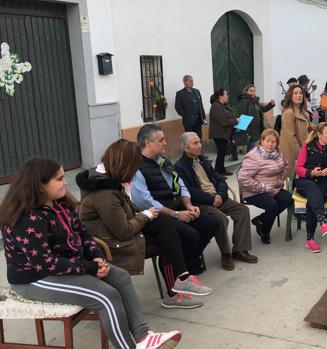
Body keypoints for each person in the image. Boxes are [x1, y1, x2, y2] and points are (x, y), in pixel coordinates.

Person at [0, 157, 182, 349]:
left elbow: (84, 234)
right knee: (106, 296)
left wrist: (97, 257)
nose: (66, 182)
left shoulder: (61, 204)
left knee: (120, 277)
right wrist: (90, 267)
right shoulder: (27, 218)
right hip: (35, 279)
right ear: (40, 184)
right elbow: (45, 263)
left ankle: (143, 337)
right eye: (59, 179)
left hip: (67, 266)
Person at [77, 140, 211, 309]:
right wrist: (146, 215)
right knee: (168, 236)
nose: (136, 172)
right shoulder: (105, 193)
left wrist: (149, 214)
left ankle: (181, 279)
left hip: (123, 227)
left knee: (175, 230)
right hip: (112, 242)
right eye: (134, 166)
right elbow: (123, 231)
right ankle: (176, 289)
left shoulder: (113, 180)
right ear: (125, 165)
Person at [131, 124, 219, 276]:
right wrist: (176, 214)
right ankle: (181, 268)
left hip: (177, 209)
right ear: (147, 143)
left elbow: (180, 184)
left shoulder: (163, 162)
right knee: (190, 235)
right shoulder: (137, 167)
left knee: (211, 223)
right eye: (161, 140)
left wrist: (188, 205)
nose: (165, 143)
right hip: (158, 216)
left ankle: (188, 261)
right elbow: (145, 201)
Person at [174, 132, 258, 270]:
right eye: (195, 143)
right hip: (201, 203)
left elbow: (219, 179)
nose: (199, 145)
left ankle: (240, 250)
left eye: (199, 142)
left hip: (218, 197)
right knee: (220, 218)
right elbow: (188, 191)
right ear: (185, 148)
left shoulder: (203, 161)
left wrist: (220, 195)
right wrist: (211, 199)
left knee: (242, 210)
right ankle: (226, 253)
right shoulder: (180, 167)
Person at [294, 122, 327, 253]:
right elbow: (298, 168)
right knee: (312, 189)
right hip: (306, 182)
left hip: (325, 183)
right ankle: (322, 222)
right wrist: (311, 172)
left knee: (313, 200)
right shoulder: (307, 146)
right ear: (319, 134)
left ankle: (310, 239)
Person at [238, 129, 293, 244]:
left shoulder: (277, 153)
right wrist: (262, 187)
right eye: (267, 141)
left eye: (274, 142)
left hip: (273, 188)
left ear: (277, 143)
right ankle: (265, 231)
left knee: (288, 198)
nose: (270, 144)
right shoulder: (253, 156)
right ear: (262, 141)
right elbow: (243, 178)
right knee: (272, 205)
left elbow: (286, 165)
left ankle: (260, 220)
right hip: (254, 191)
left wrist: (280, 178)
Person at [280, 84, 313, 175]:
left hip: (304, 149)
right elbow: (291, 138)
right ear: (290, 96)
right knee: (291, 181)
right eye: (295, 93)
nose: (299, 95)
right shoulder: (288, 114)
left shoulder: (304, 112)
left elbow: (307, 131)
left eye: (300, 93)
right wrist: (301, 155)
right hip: (292, 152)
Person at [208, 88, 238, 176]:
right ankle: (218, 172)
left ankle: (221, 170)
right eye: (225, 94)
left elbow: (228, 117)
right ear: (220, 96)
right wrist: (236, 121)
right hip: (218, 134)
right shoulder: (216, 106)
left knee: (223, 152)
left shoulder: (222, 105)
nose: (227, 96)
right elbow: (223, 120)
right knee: (221, 152)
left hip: (223, 133)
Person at [237, 84, 276, 152]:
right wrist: (246, 129)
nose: (253, 92)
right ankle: (249, 162)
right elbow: (243, 115)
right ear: (246, 92)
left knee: (253, 149)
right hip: (249, 129)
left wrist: (271, 104)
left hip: (256, 129)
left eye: (254, 90)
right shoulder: (244, 101)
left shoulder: (255, 101)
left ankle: (251, 161)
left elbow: (262, 109)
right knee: (251, 150)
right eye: (250, 90)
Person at [175, 75, 206, 140]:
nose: (192, 82)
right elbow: (178, 108)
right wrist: (186, 116)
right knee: (190, 139)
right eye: (190, 81)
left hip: (198, 120)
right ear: (184, 82)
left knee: (198, 138)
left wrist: (204, 117)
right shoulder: (180, 93)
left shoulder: (197, 91)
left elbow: (200, 104)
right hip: (189, 121)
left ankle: (199, 150)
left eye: (192, 81)